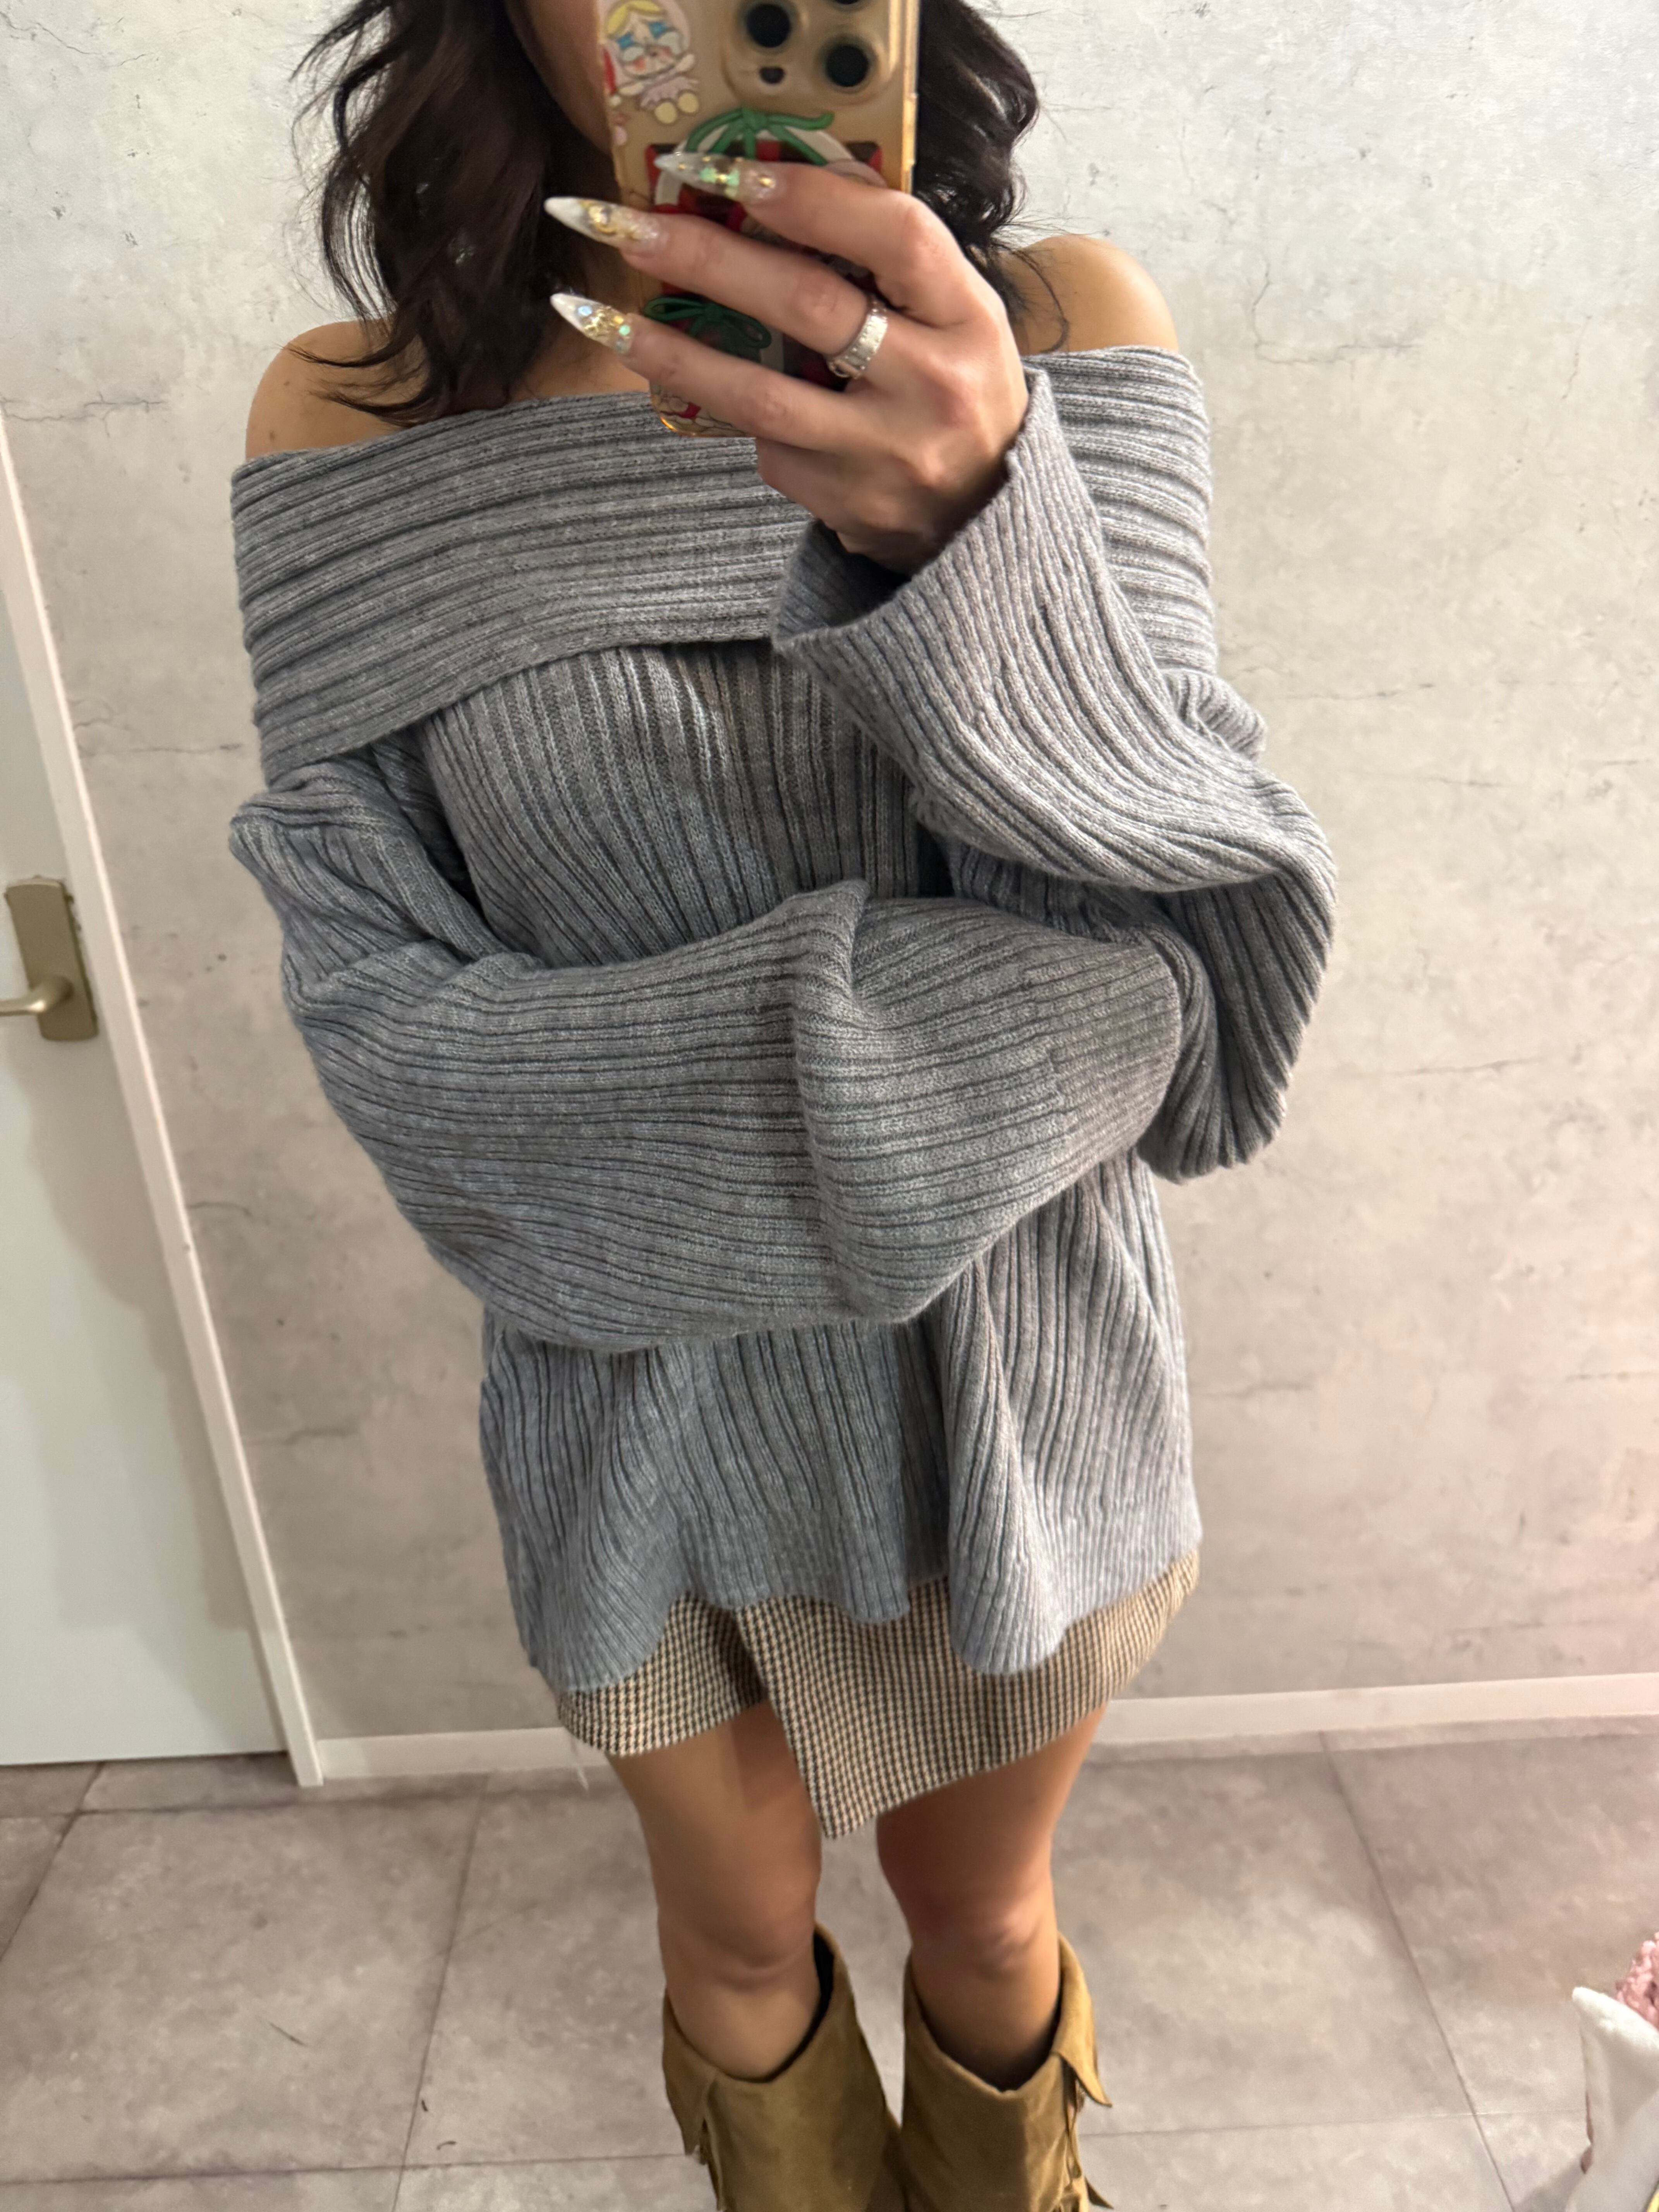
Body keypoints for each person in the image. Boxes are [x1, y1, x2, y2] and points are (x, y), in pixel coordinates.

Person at [228, 0, 1338, 2203]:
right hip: (633, 1407)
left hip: (1015, 1386)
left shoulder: (1058, 336)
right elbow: (405, 1054)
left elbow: (1194, 984)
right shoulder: (346, 423)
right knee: (735, 1944)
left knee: (985, 1924)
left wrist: (974, 532)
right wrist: (928, 1080)